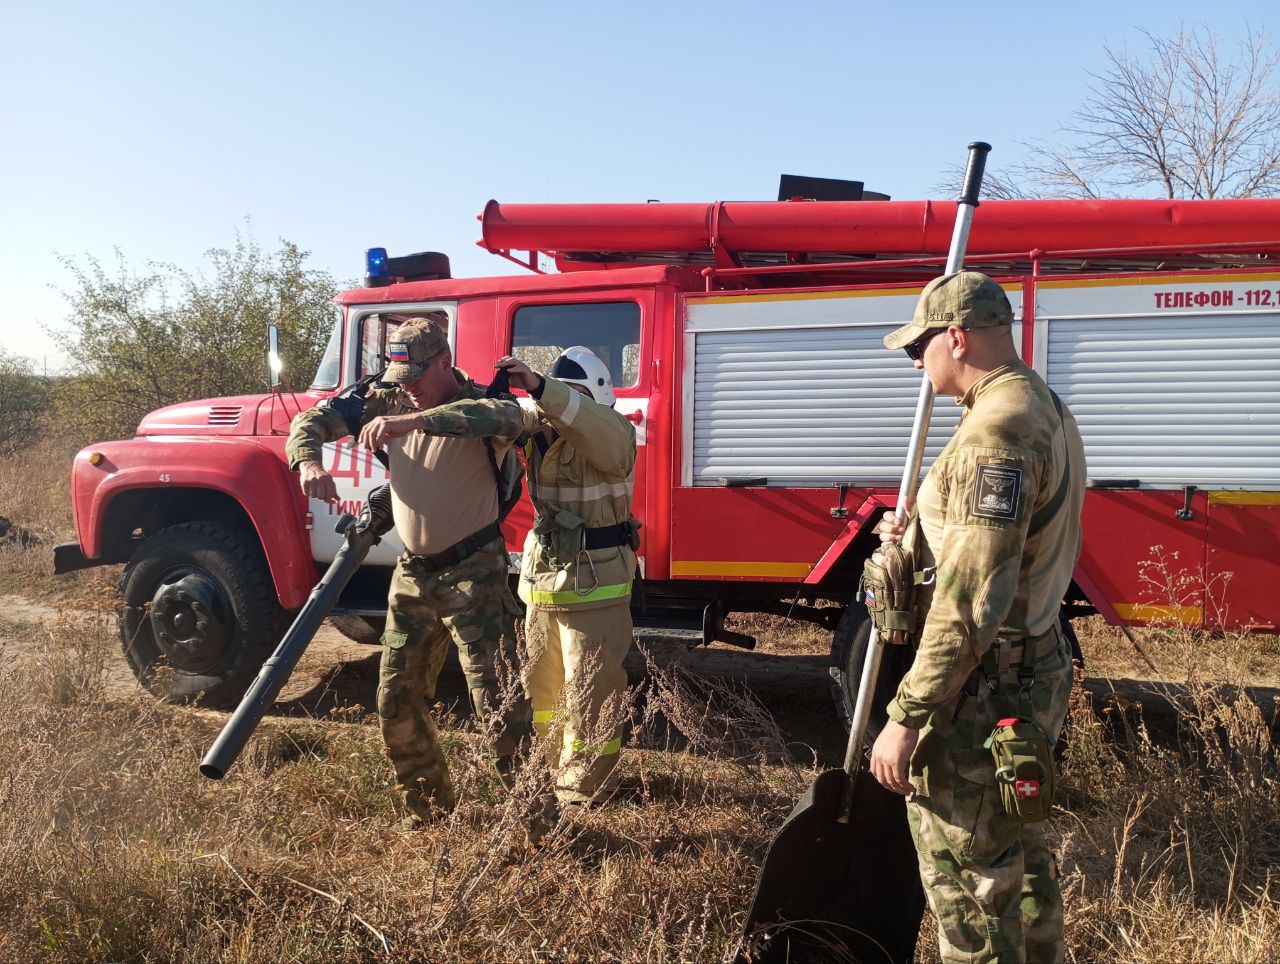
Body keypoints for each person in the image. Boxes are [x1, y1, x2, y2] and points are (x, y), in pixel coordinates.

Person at [867, 271, 1087, 962]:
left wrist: (907, 717)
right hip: (1027, 668)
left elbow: (971, 604)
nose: (915, 361)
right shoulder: (1036, 402)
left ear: (956, 337)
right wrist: (920, 538)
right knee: (1020, 865)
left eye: (920, 346)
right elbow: (996, 552)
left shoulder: (997, 431)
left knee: (970, 885)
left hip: (983, 694)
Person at [285, 314, 533, 829]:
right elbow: (310, 422)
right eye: (401, 380)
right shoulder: (389, 396)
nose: (409, 391)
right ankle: (430, 812)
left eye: (418, 378)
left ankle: (536, 821)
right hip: (413, 575)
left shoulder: (485, 402)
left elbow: (504, 419)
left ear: (445, 361)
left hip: (475, 573)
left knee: (500, 703)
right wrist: (308, 461)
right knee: (396, 698)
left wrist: (411, 423)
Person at [495, 348, 639, 808]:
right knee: (541, 688)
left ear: (596, 396)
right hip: (544, 582)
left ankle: (587, 785)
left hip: (596, 584)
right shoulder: (540, 431)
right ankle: (546, 769)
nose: (562, 408)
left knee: (592, 690)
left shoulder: (614, 431)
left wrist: (542, 387)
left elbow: (590, 426)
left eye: (572, 398)